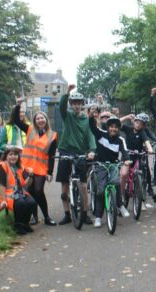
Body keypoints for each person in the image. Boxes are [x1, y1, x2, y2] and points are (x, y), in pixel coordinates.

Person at [13, 97, 58, 226]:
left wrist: (50, 172)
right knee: (30, 191)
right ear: (35, 121)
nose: (40, 120)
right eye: (38, 118)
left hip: (41, 168)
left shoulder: (52, 135)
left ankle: (47, 217)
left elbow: (52, 155)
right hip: (27, 166)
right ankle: (34, 217)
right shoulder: (29, 130)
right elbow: (17, 120)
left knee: (38, 191)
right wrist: (18, 105)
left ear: (46, 120)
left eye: (42, 118)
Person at [56, 85, 96, 225]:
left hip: (80, 153)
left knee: (84, 186)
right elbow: (61, 107)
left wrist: (92, 150)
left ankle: (84, 214)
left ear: (82, 104)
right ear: (71, 104)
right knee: (65, 187)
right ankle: (67, 214)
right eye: (74, 103)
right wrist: (67, 94)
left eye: (79, 103)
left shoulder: (85, 119)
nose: (77, 106)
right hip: (65, 151)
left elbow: (90, 135)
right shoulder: (67, 115)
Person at [89, 114, 131, 226]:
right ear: (108, 127)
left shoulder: (120, 139)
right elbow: (93, 127)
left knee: (116, 183)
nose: (114, 129)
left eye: (116, 127)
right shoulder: (101, 134)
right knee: (101, 191)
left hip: (113, 164)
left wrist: (126, 160)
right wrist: (91, 117)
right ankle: (98, 217)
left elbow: (125, 151)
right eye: (111, 126)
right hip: (101, 164)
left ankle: (120, 205)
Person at [0, 145, 37, 235]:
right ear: (6, 156)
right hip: (3, 194)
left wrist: (31, 175)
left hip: (18, 192)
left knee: (32, 202)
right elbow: (1, 185)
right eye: (11, 154)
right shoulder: (2, 166)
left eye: (15, 155)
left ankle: (25, 224)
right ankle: (18, 226)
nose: (13, 157)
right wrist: (3, 201)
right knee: (20, 203)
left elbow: (26, 184)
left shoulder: (20, 167)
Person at [121, 113, 155, 206]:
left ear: (143, 126)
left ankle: (139, 196)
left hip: (137, 156)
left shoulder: (142, 133)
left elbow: (147, 141)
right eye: (137, 122)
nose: (138, 124)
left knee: (139, 174)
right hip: (127, 156)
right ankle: (121, 195)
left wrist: (150, 149)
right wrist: (127, 117)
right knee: (124, 174)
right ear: (134, 122)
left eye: (140, 123)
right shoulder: (128, 129)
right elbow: (117, 123)